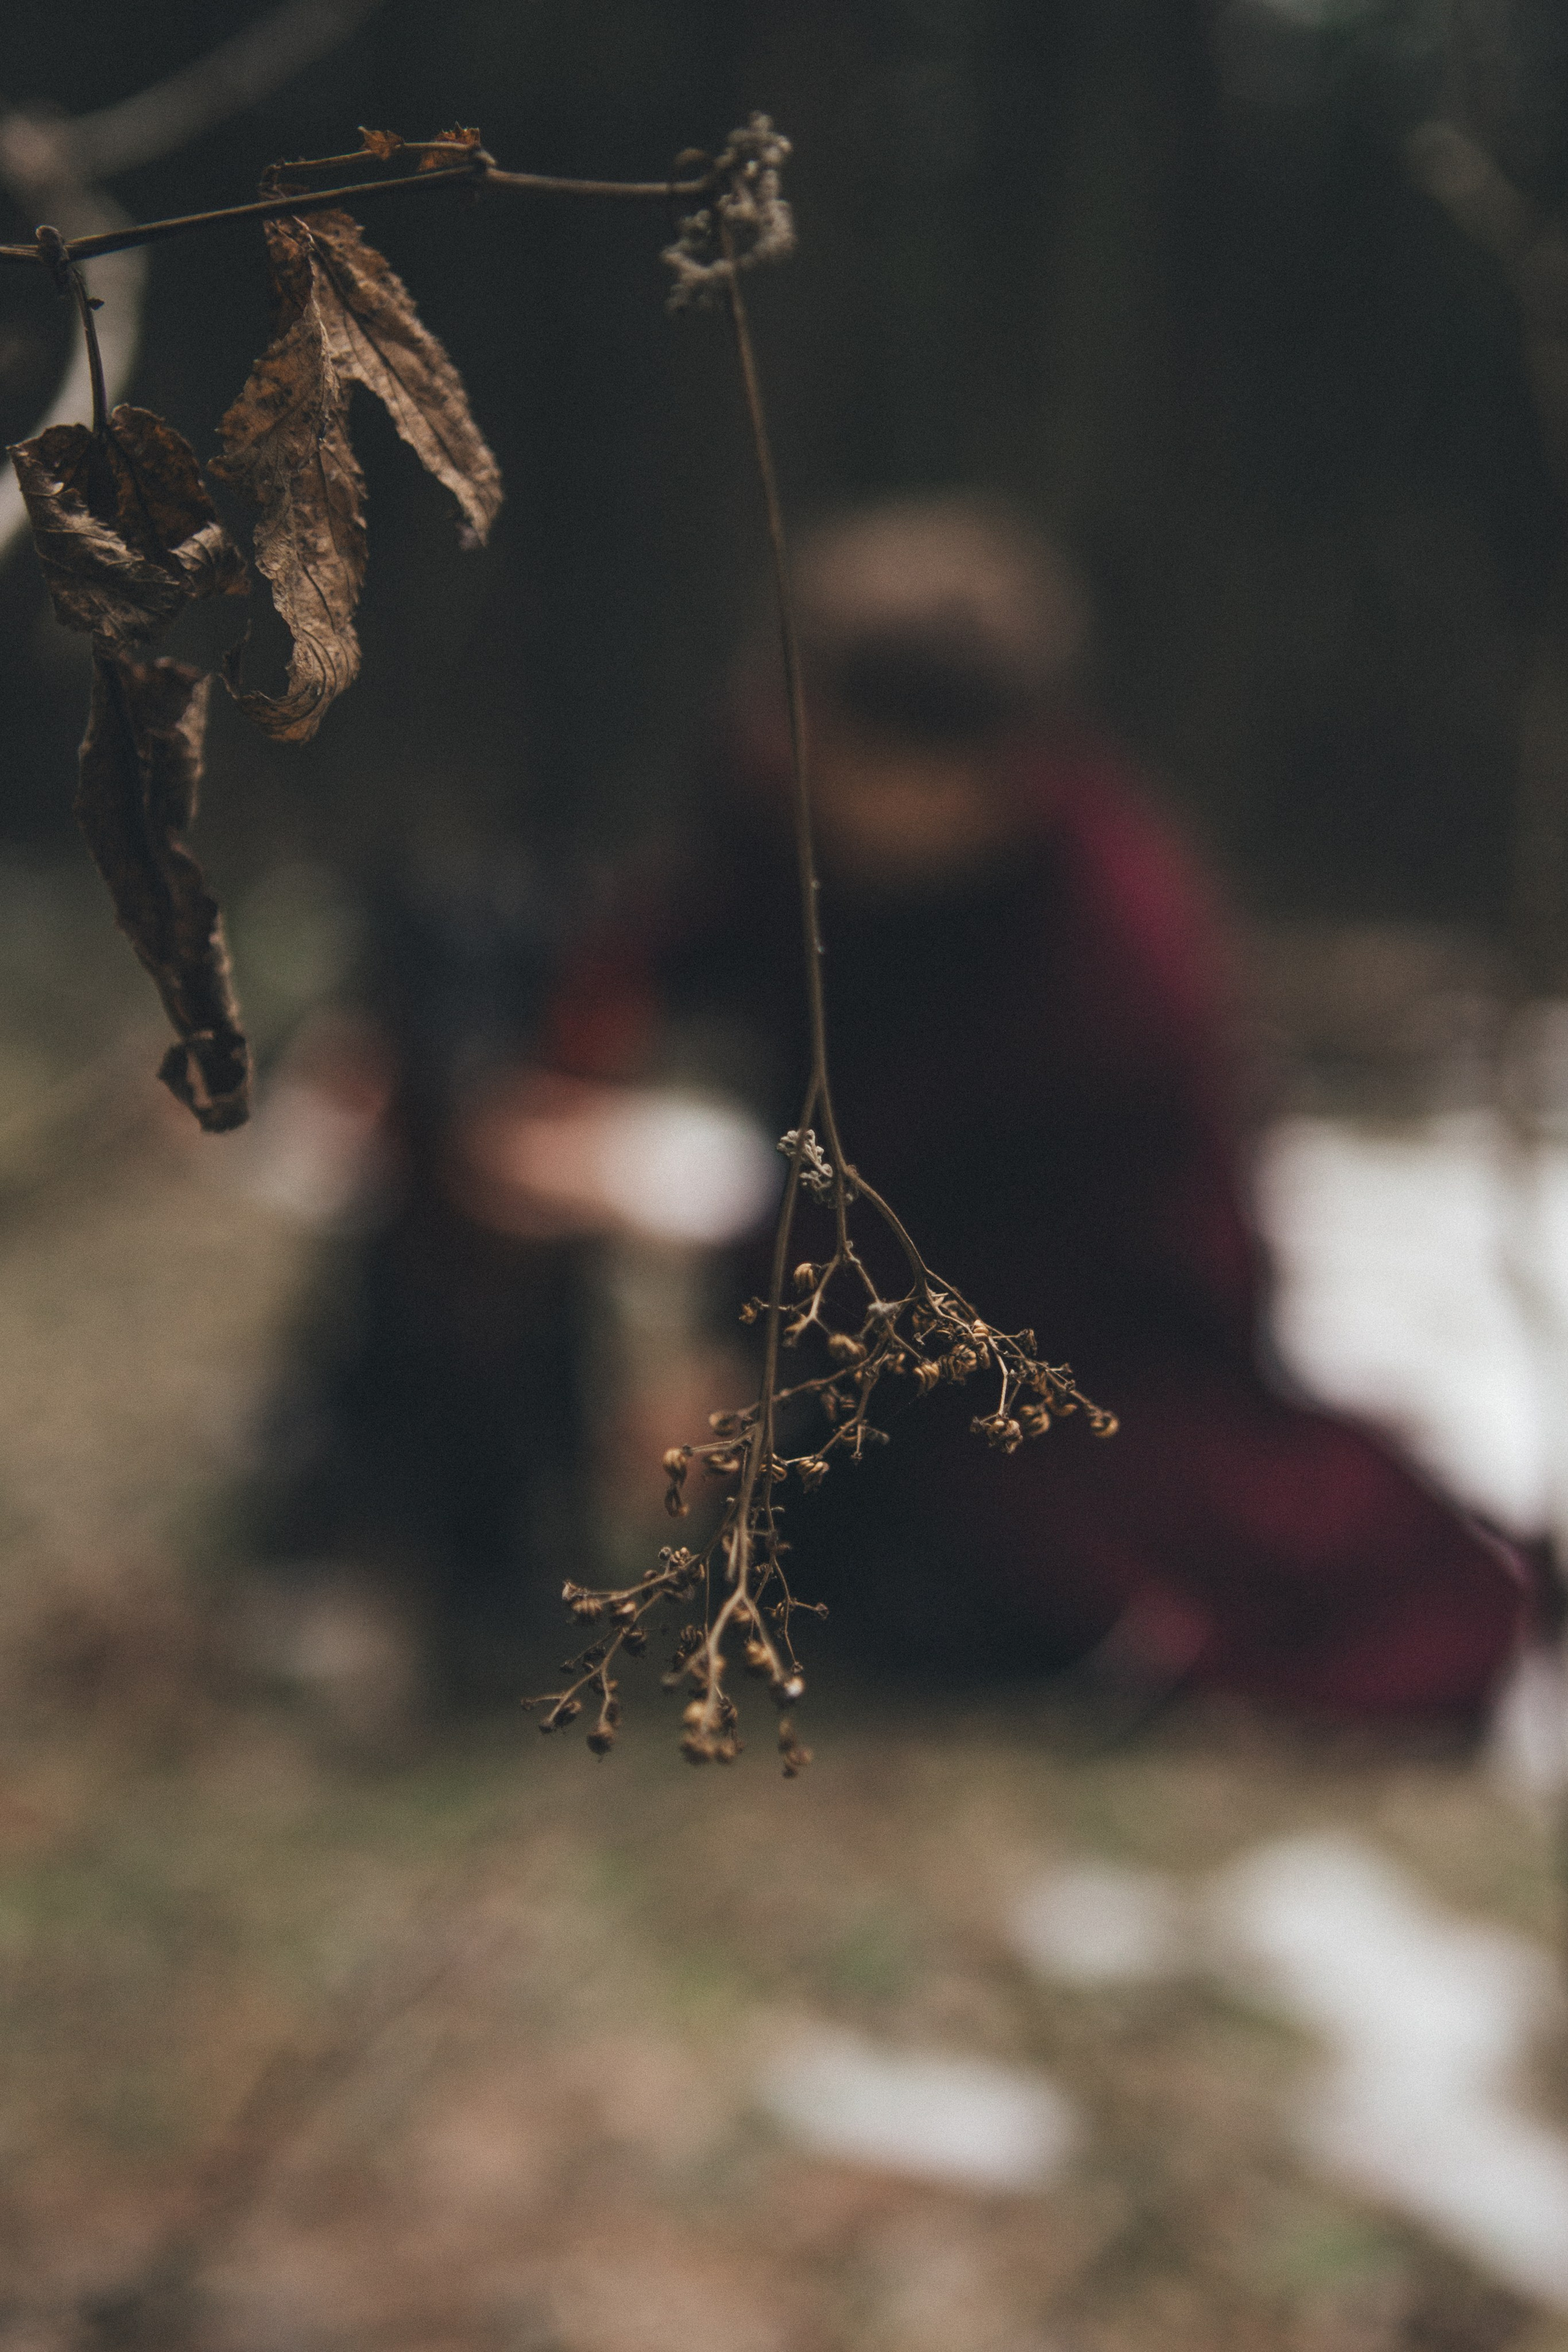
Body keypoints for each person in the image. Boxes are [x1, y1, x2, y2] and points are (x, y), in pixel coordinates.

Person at [451, 495, 1536, 1725]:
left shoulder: (1107, 962)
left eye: (843, 761)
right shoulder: (789, 777)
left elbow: (935, 1234)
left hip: (1067, 1357)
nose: (786, 763)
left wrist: (735, 1366)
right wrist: (557, 1045)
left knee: (986, 1589)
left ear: (990, 774)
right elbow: (699, 921)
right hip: (871, 1296)